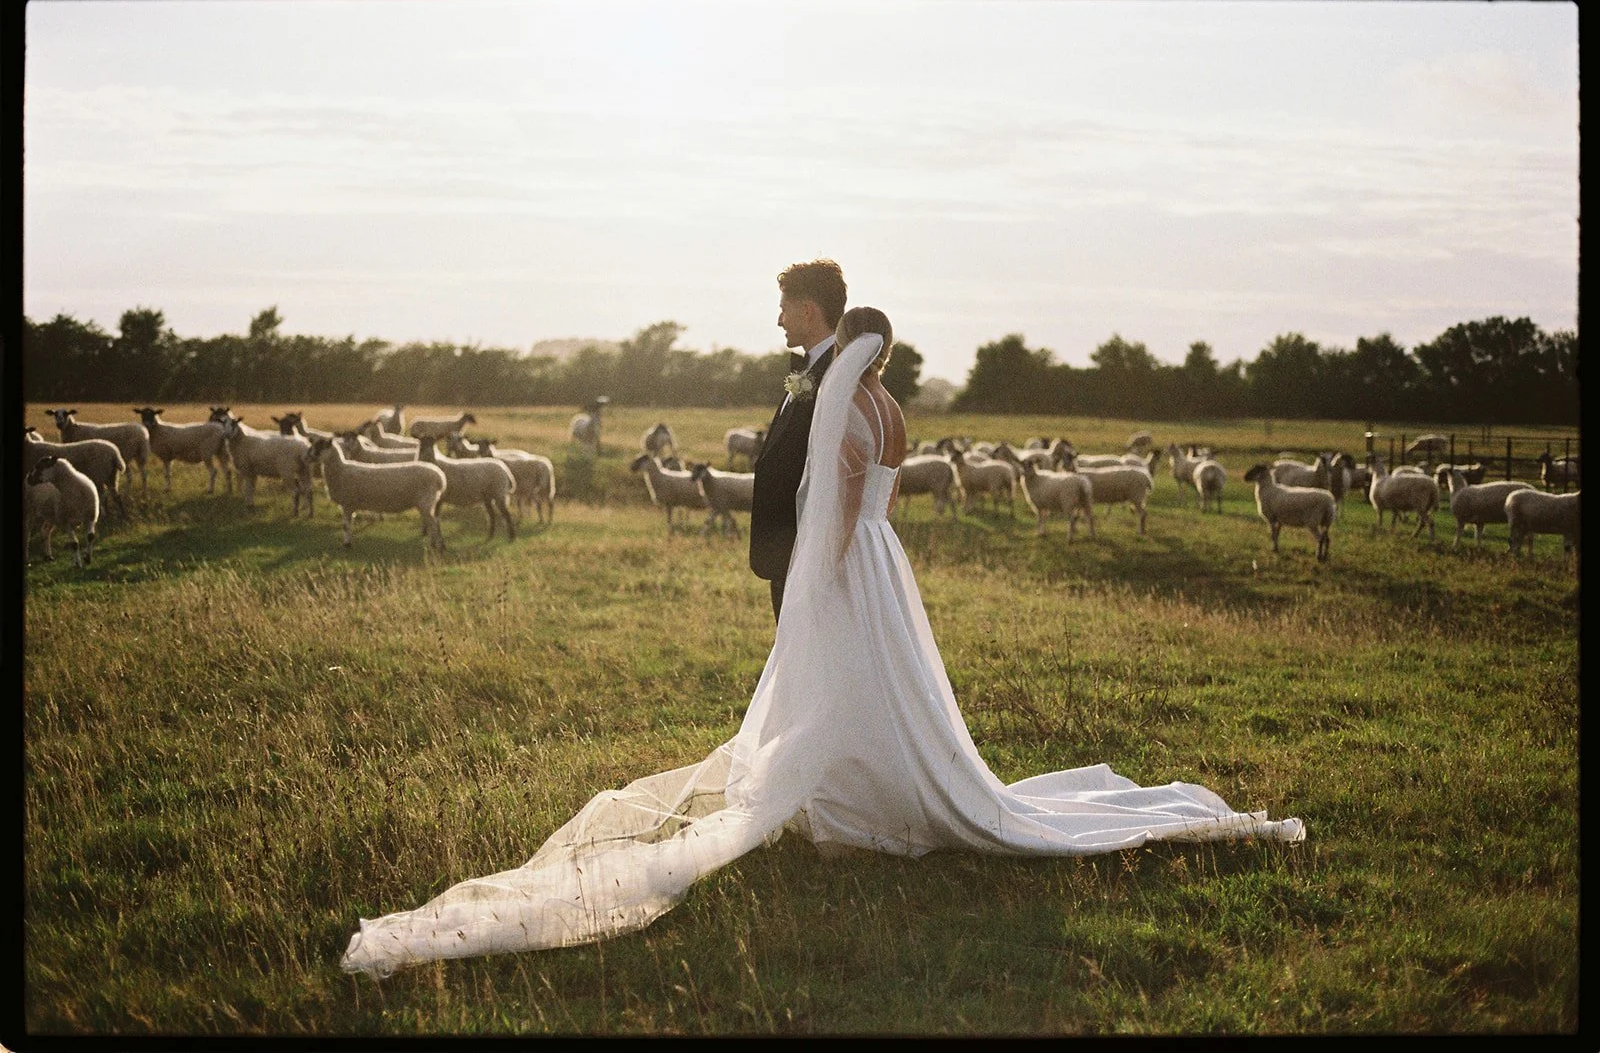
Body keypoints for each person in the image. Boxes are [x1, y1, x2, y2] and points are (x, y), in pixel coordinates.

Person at [340, 305, 1304, 979]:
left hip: (854, 559)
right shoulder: (895, 407)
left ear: (852, 350)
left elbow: (836, 502)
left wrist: (823, 568)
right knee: (883, 685)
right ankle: (860, 794)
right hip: (888, 560)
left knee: (846, 677)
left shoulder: (853, 406)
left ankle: (850, 804)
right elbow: (875, 489)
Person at [750, 258, 846, 622]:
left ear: (807, 311)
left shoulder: (836, 376)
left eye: (783, 310)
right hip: (787, 550)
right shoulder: (812, 370)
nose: (779, 320)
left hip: (807, 552)